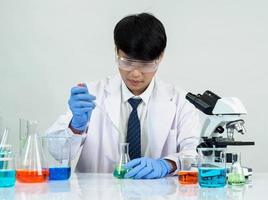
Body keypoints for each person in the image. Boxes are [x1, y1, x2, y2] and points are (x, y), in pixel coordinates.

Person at [46, 13, 201, 179]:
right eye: (126, 62)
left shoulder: (181, 102)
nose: (135, 74)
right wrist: (75, 127)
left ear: (160, 57)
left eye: (145, 65)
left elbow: (196, 154)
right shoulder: (91, 95)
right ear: (116, 51)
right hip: (97, 193)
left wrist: (168, 165)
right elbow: (58, 152)